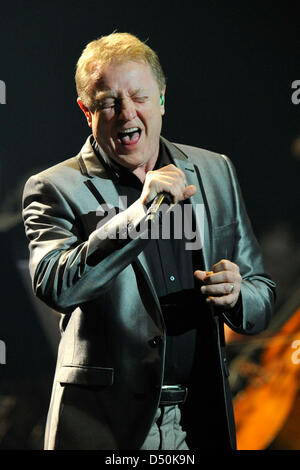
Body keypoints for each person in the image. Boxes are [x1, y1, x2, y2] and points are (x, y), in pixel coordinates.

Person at [22, 32, 276, 450]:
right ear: (87, 111)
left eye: (139, 96)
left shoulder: (215, 171)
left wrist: (237, 295)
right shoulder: (53, 187)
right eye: (108, 102)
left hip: (200, 417)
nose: (126, 114)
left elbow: (261, 293)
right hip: (106, 426)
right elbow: (56, 286)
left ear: (161, 98)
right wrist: (142, 211)